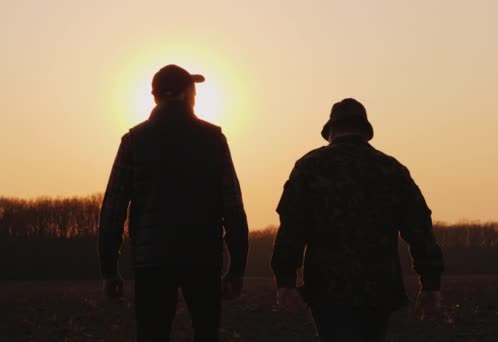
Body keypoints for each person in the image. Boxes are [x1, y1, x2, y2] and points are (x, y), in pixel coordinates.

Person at [271, 98, 444, 342]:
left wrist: (285, 280)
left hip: (326, 288)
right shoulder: (391, 169)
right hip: (379, 288)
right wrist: (430, 283)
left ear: (330, 130)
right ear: (365, 132)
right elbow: (420, 227)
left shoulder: (309, 167)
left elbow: (292, 227)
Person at [97, 64, 249, 342]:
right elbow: (233, 206)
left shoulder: (134, 140)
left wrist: (109, 270)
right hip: (202, 257)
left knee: (152, 334)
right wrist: (237, 268)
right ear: (185, 94)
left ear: (155, 97)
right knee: (206, 334)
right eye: (193, 89)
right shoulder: (213, 139)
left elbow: (113, 209)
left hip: (151, 259)